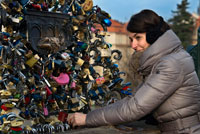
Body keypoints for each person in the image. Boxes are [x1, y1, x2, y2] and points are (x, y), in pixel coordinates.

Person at [67, 9, 200, 134]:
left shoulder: (170, 64)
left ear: (153, 36)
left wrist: (87, 119)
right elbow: (133, 101)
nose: (133, 45)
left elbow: (135, 108)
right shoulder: (167, 60)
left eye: (138, 38)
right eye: (131, 39)